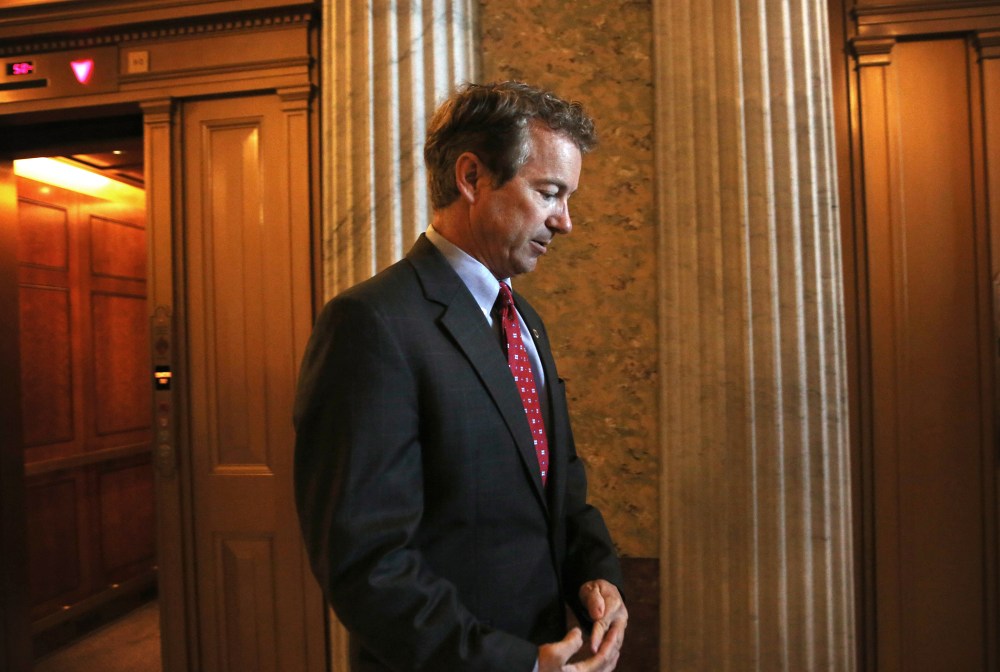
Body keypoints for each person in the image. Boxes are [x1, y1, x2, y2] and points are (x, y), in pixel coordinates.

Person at [294, 80, 628, 672]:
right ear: (472, 178)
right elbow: (366, 563)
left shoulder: (526, 321)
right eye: (550, 193)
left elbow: (559, 483)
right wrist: (513, 664)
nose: (566, 222)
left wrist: (597, 575)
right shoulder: (371, 323)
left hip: (551, 646)